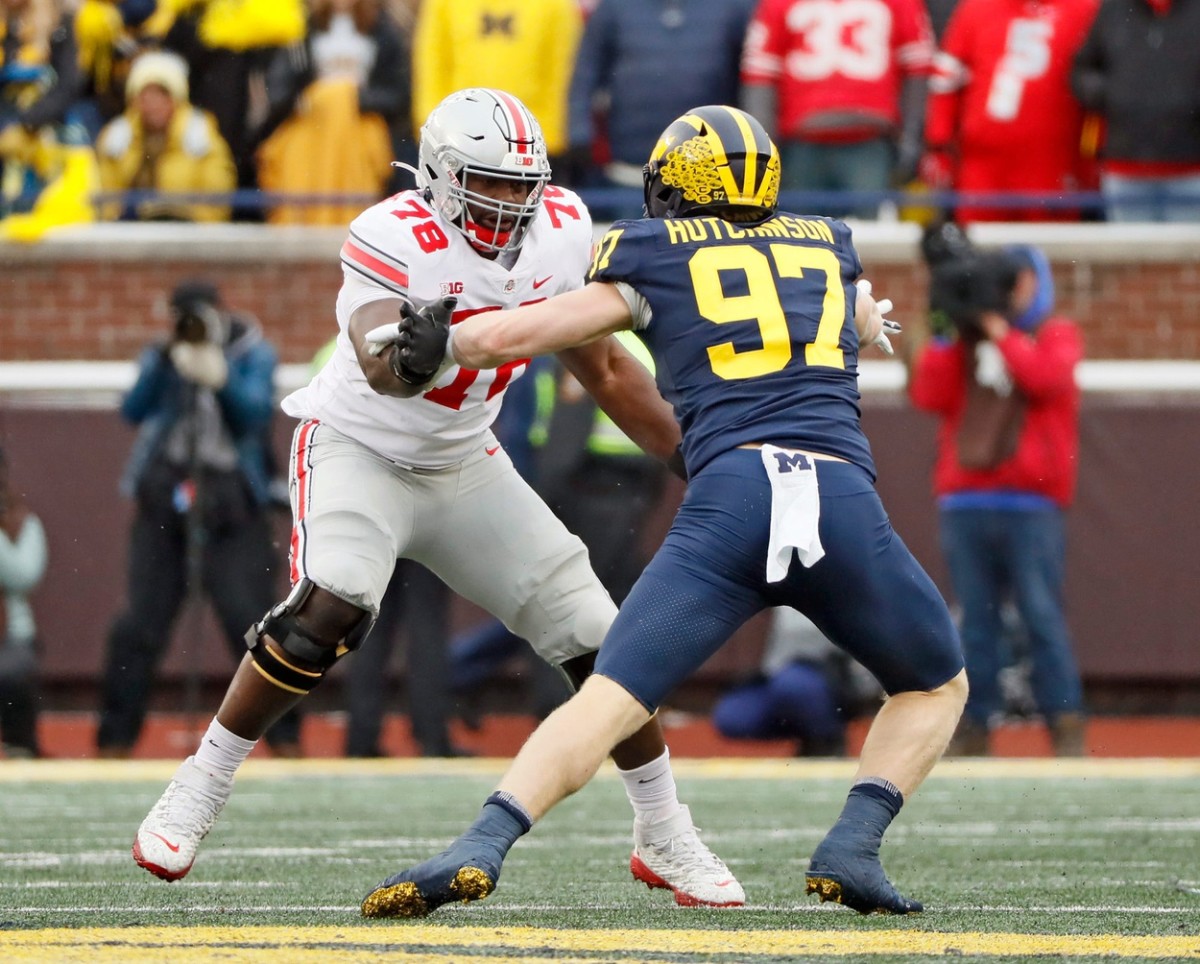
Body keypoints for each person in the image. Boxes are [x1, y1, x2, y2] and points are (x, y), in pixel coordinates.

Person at [131, 88, 744, 911]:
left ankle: (665, 833)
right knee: (333, 604)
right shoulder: (392, 234)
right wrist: (418, 355)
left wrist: (701, 456)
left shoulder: (561, 230)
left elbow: (602, 369)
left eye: (522, 187)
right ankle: (202, 783)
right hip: (361, 449)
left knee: (604, 638)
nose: (510, 205)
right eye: (490, 185)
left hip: (467, 462)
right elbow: (382, 361)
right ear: (441, 177)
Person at [360, 104, 967, 919]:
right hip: (839, 500)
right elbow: (857, 315)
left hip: (735, 498)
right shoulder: (829, 247)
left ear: (676, 187)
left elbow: (531, 331)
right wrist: (864, 320)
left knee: (612, 696)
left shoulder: (652, 254)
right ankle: (853, 844)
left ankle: (483, 844)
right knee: (937, 683)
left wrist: (451, 344)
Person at [96, 280, 302, 760]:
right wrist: (170, 361)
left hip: (233, 501)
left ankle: (287, 741)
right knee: (139, 626)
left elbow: (253, 416)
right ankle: (114, 739)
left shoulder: (254, 351)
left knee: (252, 624)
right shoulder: (164, 354)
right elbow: (133, 409)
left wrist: (219, 374)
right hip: (167, 498)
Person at [908, 225, 1086, 756]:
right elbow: (929, 393)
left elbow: (1045, 380)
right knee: (974, 622)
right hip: (966, 500)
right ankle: (975, 726)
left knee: (1040, 615)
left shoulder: (1057, 334)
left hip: (1032, 503)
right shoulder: (964, 346)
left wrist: (998, 329)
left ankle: (1065, 722)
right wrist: (949, 331)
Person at [739, 0, 935, 219]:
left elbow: (918, 69)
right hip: (809, 144)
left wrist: (912, 137)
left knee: (865, 240)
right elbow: (761, 75)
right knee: (801, 238)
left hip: (865, 142)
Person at [566, 0, 756, 218]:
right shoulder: (613, 7)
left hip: (710, 170)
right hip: (631, 165)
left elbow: (753, 76)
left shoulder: (734, 7)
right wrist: (579, 135)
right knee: (631, 244)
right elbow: (586, 73)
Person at [920, 0, 1099, 223]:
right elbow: (946, 79)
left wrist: (1092, 159)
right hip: (983, 164)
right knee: (981, 248)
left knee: (1049, 250)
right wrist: (939, 144)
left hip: (1051, 164)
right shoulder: (978, 8)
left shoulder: (1085, 10)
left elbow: (1100, 82)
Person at [254, 0, 414, 226]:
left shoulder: (383, 31)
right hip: (312, 126)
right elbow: (280, 90)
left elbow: (397, 94)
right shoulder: (303, 30)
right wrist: (316, 96)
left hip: (361, 126)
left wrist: (350, 98)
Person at [1070, 0, 1200, 223]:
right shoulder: (1114, 9)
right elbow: (1082, 69)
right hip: (1125, 168)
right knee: (1129, 255)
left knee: (1188, 255)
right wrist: (1112, 95)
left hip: (1190, 170)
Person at [712, 608, 882, 757]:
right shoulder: (780, 578)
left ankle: (827, 741)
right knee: (733, 715)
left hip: (831, 681)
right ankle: (807, 737)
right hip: (779, 676)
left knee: (793, 685)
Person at [94, 50, 237, 222]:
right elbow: (104, 199)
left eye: (162, 94)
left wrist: (182, 218)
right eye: (146, 94)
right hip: (128, 236)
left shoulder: (203, 139)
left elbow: (217, 205)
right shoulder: (115, 140)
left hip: (187, 237)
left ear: (177, 99)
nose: (153, 103)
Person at [0, 445, 48, 760]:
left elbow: (24, 575)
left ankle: (21, 747)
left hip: (10, 636)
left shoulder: (20, 519)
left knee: (13, 672)